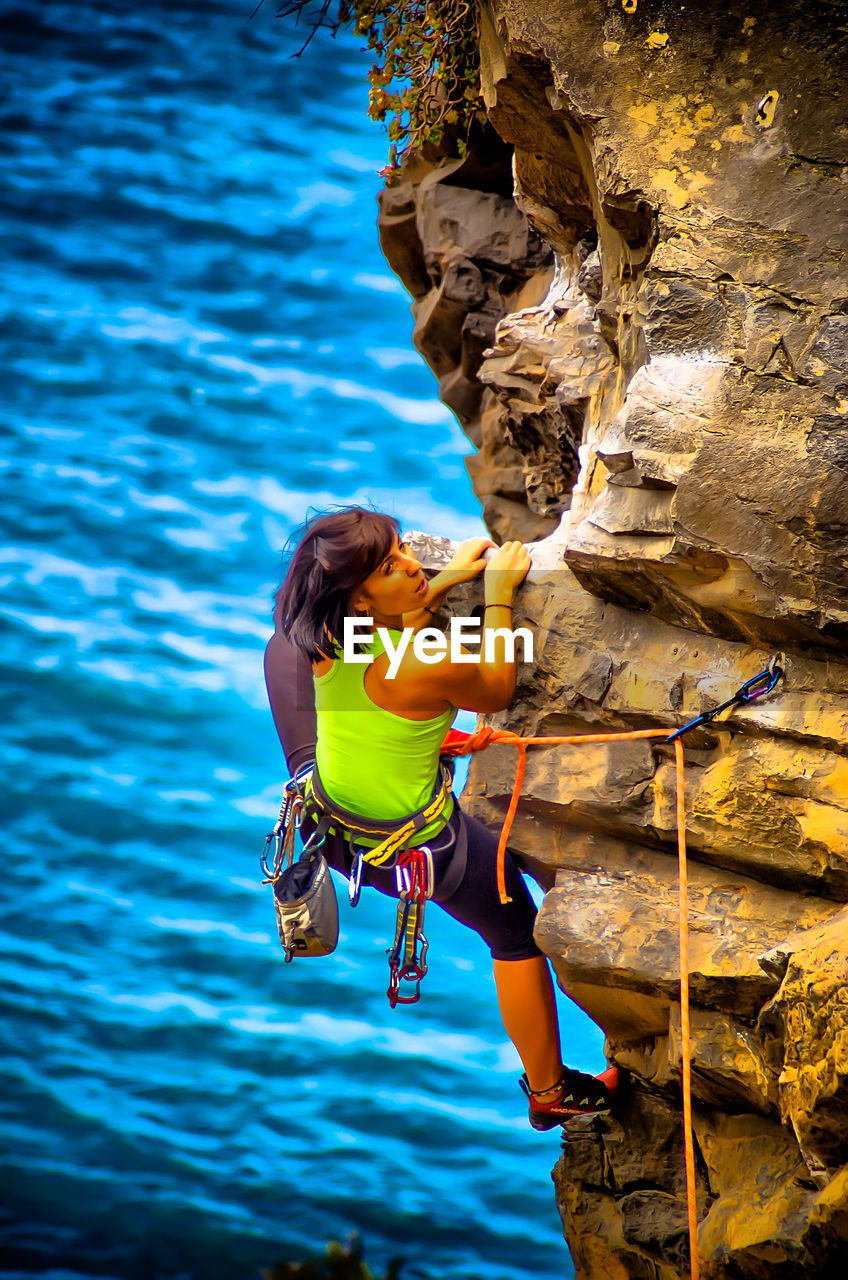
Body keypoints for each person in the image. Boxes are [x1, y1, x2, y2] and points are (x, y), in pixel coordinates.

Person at [264, 506, 618, 1130]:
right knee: (515, 932)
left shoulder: (321, 638)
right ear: (360, 602)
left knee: (287, 661)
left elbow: (386, 652)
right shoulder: (422, 662)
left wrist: (446, 580)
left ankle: (395, 748)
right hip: (420, 850)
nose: (411, 567)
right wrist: (498, 596)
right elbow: (496, 687)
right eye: (389, 567)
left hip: (335, 827)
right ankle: (549, 1091)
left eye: (402, 550)